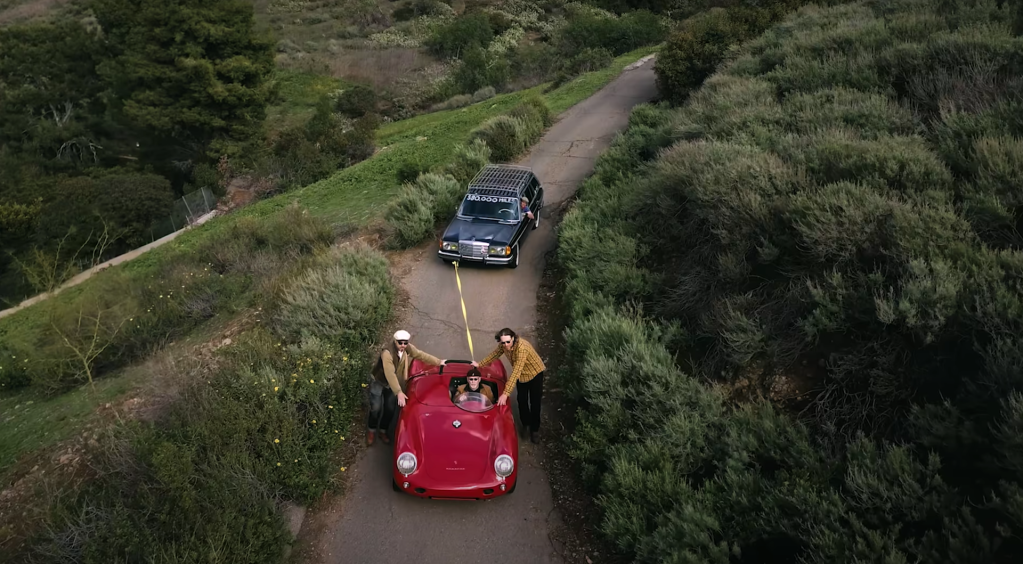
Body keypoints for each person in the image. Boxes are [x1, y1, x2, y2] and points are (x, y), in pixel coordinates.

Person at [368, 330, 446, 445]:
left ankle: (383, 431)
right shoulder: (387, 353)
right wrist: (399, 391)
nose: (403, 345)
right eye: (400, 343)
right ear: (395, 341)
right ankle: (371, 430)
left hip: (392, 385)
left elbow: (420, 355)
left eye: (405, 343)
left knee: (390, 409)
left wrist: (439, 362)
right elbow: (390, 374)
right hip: (379, 381)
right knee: (376, 408)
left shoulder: (407, 348)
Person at [473, 328, 546, 443]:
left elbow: (516, 371)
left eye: (508, 341)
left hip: (535, 374)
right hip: (522, 375)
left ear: (513, 338)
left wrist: (505, 394)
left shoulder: (522, 348)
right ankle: (526, 424)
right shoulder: (503, 346)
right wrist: (479, 364)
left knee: (535, 402)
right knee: (521, 400)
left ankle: (535, 430)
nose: (506, 345)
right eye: (503, 342)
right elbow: (494, 355)